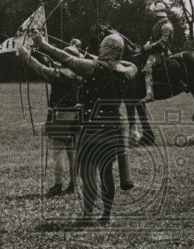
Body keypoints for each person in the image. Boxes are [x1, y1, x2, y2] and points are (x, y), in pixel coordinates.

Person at [33, 30, 136, 225]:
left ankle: (88, 214)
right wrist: (105, 59)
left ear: (105, 49)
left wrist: (43, 44)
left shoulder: (93, 68)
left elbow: (65, 58)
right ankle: (106, 215)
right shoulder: (127, 73)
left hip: (92, 127)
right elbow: (131, 65)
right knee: (106, 171)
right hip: (113, 126)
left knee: (88, 170)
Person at [18, 37, 83, 196]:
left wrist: (25, 53)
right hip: (77, 116)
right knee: (73, 152)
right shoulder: (81, 75)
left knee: (58, 153)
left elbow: (38, 68)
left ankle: (58, 185)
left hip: (59, 116)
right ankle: (74, 185)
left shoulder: (57, 76)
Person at [141, 0, 175, 103]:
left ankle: (150, 94)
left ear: (157, 13)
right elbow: (153, 38)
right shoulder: (157, 24)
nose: (152, 14)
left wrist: (149, 46)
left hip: (162, 52)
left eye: (153, 12)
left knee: (148, 66)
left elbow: (163, 41)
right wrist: (147, 43)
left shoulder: (166, 25)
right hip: (154, 51)